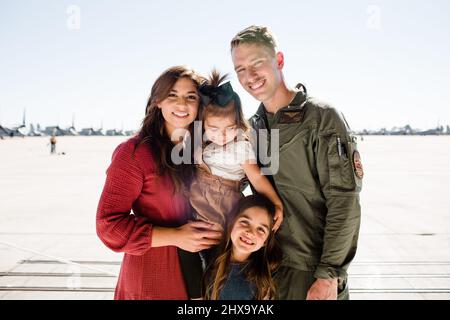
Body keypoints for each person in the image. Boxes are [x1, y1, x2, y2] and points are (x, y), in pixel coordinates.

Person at [230, 25, 362, 300]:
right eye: (240, 68)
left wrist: (328, 274)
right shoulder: (252, 127)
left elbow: (344, 201)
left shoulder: (321, 118)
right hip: (267, 273)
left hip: (311, 275)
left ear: (279, 60)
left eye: (257, 63)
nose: (249, 76)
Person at [96, 66, 222, 300]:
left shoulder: (206, 149)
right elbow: (108, 226)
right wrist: (176, 236)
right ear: (157, 101)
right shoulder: (134, 153)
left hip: (207, 276)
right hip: (153, 278)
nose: (182, 104)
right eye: (172, 95)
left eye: (191, 97)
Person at [177, 70, 284, 299]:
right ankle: (202, 293)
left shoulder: (240, 148)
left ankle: (226, 289)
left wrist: (275, 203)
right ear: (203, 125)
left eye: (229, 129)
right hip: (197, 206)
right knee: (190, 249)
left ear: (239, 123)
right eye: (214, 129)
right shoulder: (202, 141)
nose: (222, 136)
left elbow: (256, 178)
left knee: (213, 249)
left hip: (222, 206)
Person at [203, 194, 282, 300]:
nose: (250, 233)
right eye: (245, 222)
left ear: (265, 241)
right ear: (232, 223)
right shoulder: (206, 256)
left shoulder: (263, 279)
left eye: (261, 229)